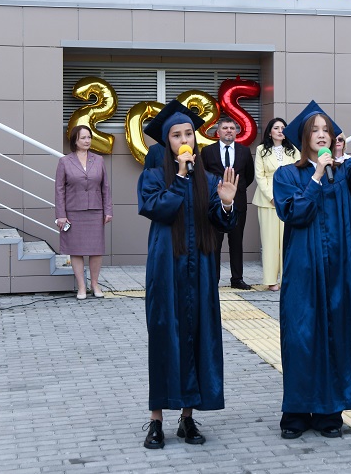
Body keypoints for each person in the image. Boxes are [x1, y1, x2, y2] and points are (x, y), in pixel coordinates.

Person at [273, 99, 351, 439]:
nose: (322, 134)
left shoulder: (345, 172)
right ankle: (296, 411)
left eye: (326, 129)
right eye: (315, 130)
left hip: (341, 268)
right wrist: (316, 176)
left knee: (338, 333)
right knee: (301, 336)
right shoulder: (287, 175)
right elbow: (294, 213)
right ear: (304, 137)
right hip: (304, 268)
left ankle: (329, 410)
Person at [137, 99, 238, 449]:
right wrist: (180, 178)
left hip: (201, 271)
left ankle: (187, 417)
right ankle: (156, 420)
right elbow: (158, 209)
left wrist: (227, 202)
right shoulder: (153, 177)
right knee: (164, 339)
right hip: (166, 271)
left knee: (197, 337)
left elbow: (221, 222)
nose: (184, 140)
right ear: (167, 142)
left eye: (188, 134)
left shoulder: (208, 180)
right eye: (177, 135)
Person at [54, 125, 113, 300]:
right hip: (73, 211)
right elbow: (59, 190)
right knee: (76, 250)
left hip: (95, 211)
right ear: (75, 140)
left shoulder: (99, 160)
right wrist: (61, 214)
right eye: (83, 138)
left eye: (89, 137)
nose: (87, 141)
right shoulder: (64, 161)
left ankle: (95, 284)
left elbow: (105, 187)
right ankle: (81, 286)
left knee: (96, 249)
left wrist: (108, 210)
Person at [201, 116, 256, 290]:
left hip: (238, 203)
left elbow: (249, 175)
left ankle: (237, 279)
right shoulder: (207, 151)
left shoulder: (244, 151)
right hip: (215, 204)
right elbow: (203, 176)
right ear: (218, 132)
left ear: (236, 132)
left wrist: (236, 190)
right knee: (215, 243)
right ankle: (213, 279)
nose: (229, 131)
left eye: (232, 128)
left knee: (236, 241)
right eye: (225, 128)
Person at [252, 118, 300, 291]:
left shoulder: (293, 149)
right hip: (267, 201)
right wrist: (272, 197)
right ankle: (271, 280)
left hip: (289, 200)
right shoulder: (261, 150)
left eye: (283, 128)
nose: (280, 131)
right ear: (270, 132)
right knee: (270, 241)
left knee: (289, 241)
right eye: (276, 128)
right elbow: (260, 176)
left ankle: (288, 278)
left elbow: (299, 173)